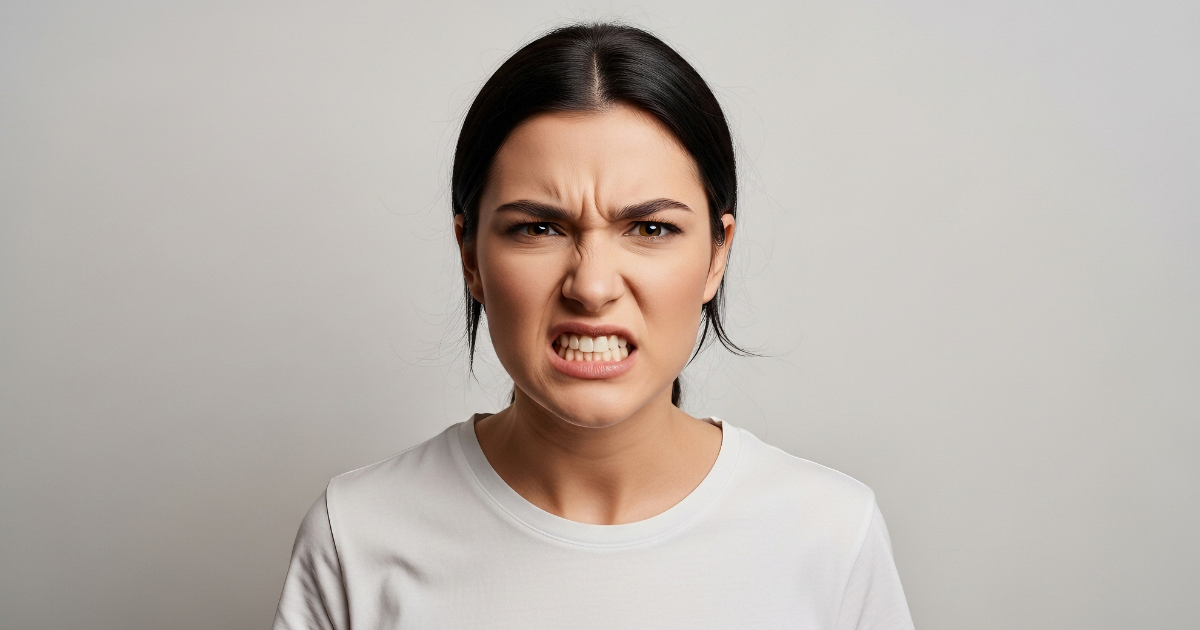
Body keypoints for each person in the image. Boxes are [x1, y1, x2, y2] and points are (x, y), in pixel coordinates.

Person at [273, 23, 914, 630]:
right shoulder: (356, 537)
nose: (593, 285)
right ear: (470, 255)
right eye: (538, 228)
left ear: (718, 254)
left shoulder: (829, 535)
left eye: (650, 228)